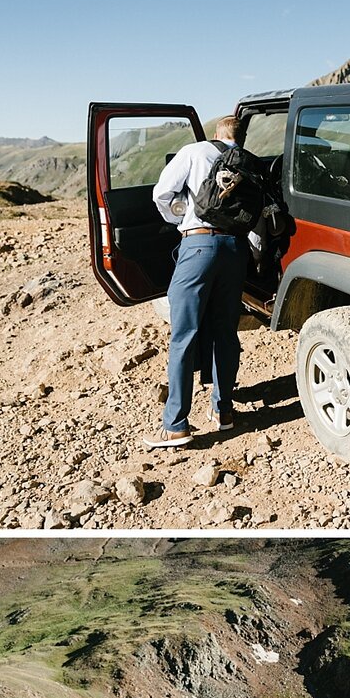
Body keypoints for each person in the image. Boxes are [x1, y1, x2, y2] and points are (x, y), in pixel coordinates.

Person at [143, 115, 252, 449]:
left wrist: (181, 217)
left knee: (184, 335)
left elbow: (161, 193)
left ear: (216, 134)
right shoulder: (249, 163)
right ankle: (224, 411)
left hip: (198, 245)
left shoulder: (193, 152)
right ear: (240, 137)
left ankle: (176, 424)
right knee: (225, 331)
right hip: (235, 249)